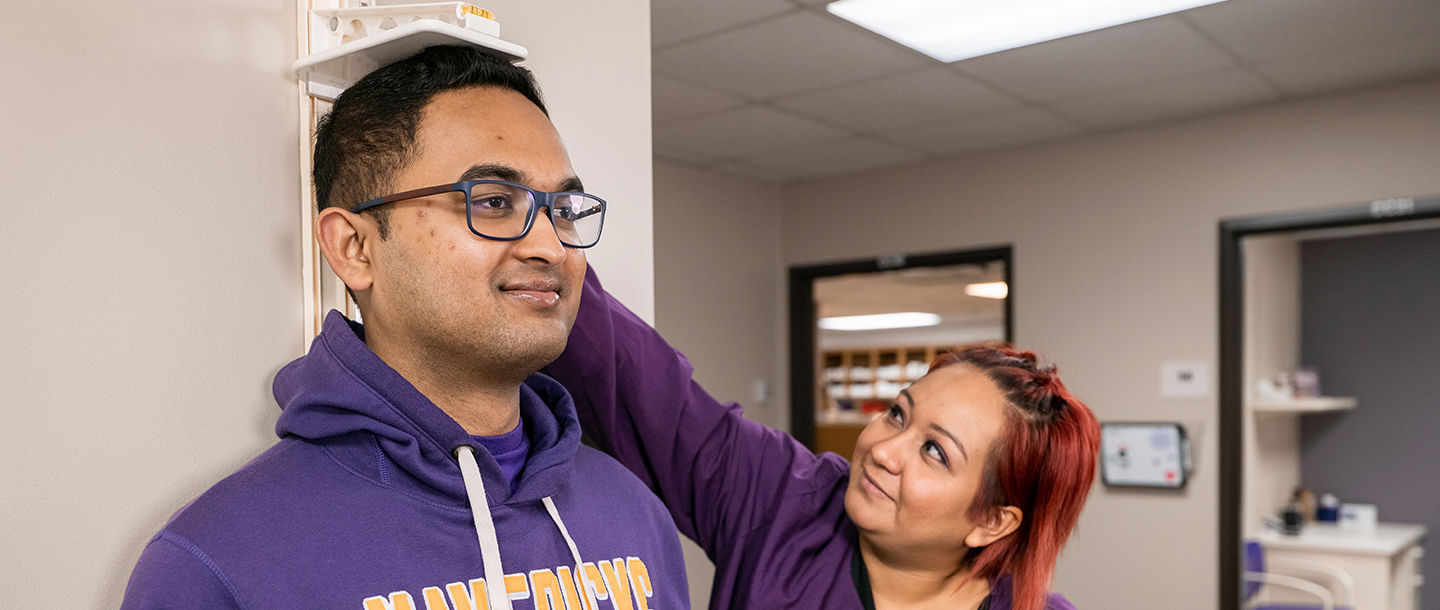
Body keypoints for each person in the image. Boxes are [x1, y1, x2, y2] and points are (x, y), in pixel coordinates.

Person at [121, 46, 688, 610]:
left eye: (563, 209)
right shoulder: (220, 564)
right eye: (492, 201)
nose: (550, 245)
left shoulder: (635, 515)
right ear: (355, 247)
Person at [543, 269, 1100, 610]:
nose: (882, 450)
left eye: (934, 451)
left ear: (991, 521)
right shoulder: (783, 501)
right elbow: (632, 380)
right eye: (899, 414)